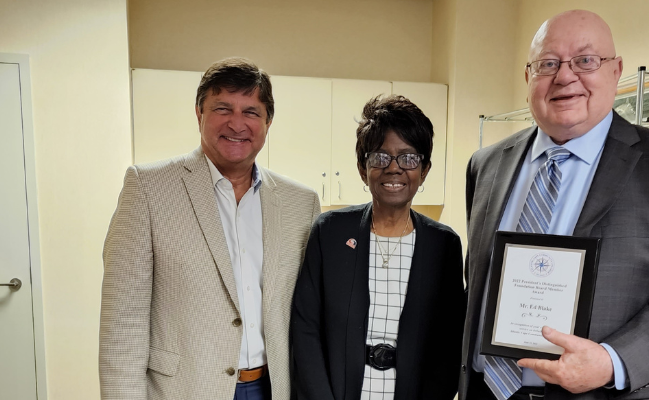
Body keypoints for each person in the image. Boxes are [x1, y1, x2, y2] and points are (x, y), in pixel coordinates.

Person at [460, 10, 649, 400]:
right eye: (547, 64)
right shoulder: (485, 164)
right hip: (486, 391)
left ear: (616, 71)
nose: (565, 77)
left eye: (585, 61)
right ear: (528, 77)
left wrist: (611, 361)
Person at [100, 58, 321, 400]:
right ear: (199, 113)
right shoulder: (147, 187)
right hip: (184, 389)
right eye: (222, 108)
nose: (237, 123)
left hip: (274, 387)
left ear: (268, 121)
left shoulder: (300, 203)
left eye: (251, 111)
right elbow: (123, 325)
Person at [291, 95, 466, 400]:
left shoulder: (444, 245)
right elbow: (306, 328)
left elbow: (449, 345)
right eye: (380, 157)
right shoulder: (330, 232)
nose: (394, 168)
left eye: (409, 157)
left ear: (424, 170)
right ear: (362, 168)